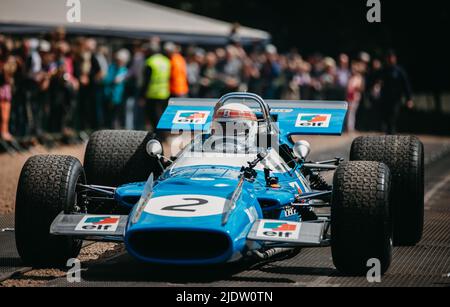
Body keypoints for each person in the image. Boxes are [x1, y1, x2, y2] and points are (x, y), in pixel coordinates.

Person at [378, 50, 413, 134]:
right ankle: (386, 135)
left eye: (391, 58)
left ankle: (392, 135)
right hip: (385, 98)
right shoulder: (383, 70)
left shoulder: (399, 71)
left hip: (396, 99)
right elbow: (377, 81)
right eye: (388, 58)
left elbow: (406, 85)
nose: (390, 60)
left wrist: (409, 99)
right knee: (385, 118)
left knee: (393, 118)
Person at [140, 39, 171, 132]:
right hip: (164, 92)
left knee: (153, 116)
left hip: (152, 93)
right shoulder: (166, 60)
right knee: (161, 115)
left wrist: (142, 95)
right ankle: (163, 135)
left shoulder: (150, 62)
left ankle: (158, 136)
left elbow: (146, 80)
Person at [104, 49, 130, 129]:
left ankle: (116, 127)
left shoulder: (125, 70)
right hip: (110, 95)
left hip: (121, 95)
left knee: (119, 113)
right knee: (110, 114)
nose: (120, 62)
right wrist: (113, 80)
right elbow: (107, 79)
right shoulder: (112, 67)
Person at [346, 60, 365, 133]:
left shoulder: (359, 77)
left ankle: (351, 127)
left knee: (352, 112)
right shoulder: (351, 77)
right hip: (350, 96)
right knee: (350, 112)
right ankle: (349, 127)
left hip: (355, 96)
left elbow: (360, 87)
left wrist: (356, 89)